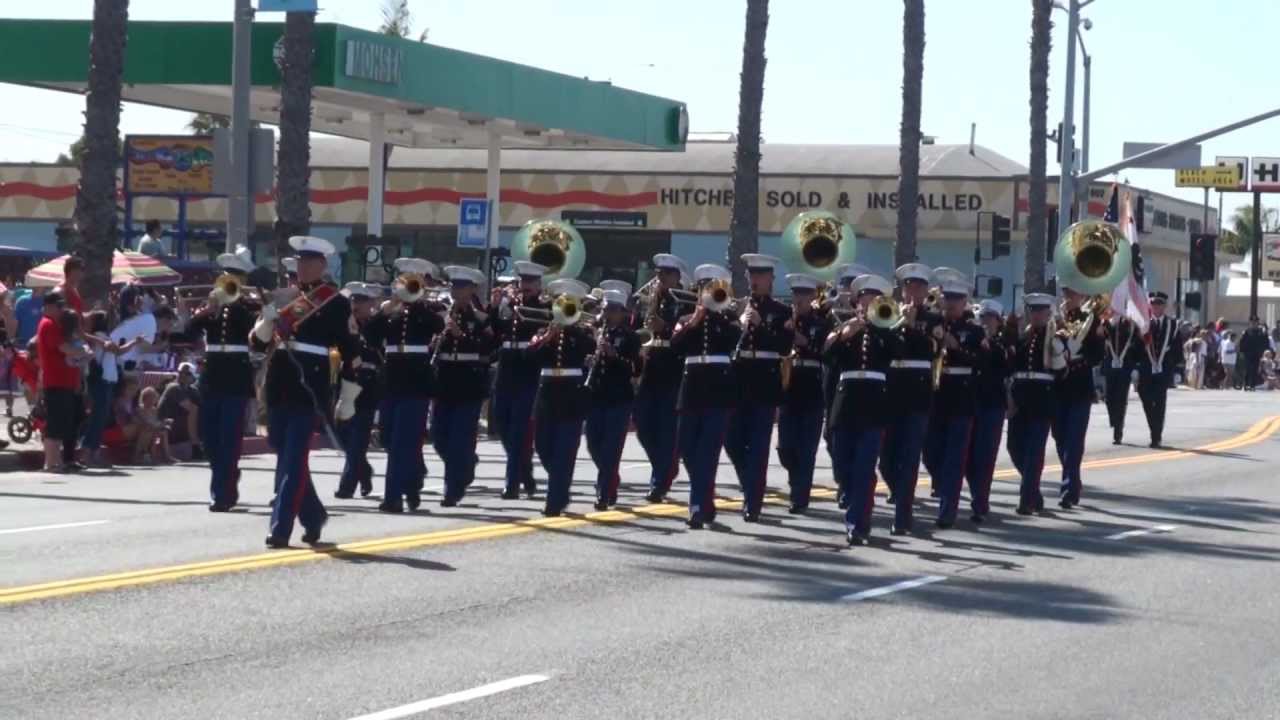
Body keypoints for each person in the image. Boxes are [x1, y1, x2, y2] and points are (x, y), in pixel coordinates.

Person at [251, 236, 360, 549]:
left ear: (322, 266)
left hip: (310, 387)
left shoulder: (336, 302)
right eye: (299, 261)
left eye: (309, 262)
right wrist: (266, 324)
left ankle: (280, 527)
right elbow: (258, 345)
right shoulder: (282, 296)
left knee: (294, 458)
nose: (302, 267)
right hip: (278, 382)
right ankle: (313, 516)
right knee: (284, 453)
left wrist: (348, 396)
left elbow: (351, 350)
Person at [824, 273, 897, 545]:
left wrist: (877, 327)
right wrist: (845, 335)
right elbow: (828, 358)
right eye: (863, 302)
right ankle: (858, 494)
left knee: (864, 467)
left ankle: (857, 524)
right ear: (856, 304)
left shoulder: (887, 331)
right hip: (846, 405)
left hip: (874, 405)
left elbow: (897, 351)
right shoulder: (843, 328)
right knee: (843, 465)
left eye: (873, 302)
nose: (867, 307)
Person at [370, 257, 443, 514]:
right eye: (405, 280)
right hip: (391, 378)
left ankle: (393, 498)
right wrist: (385, 309)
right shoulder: (390, 312)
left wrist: (418, 302)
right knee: (390, 437)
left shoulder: (427, 313)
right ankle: (411, 484)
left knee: (403, 440)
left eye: (413, 281)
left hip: (416, 380)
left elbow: (438, 325)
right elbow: (369, 335)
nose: (408, 286)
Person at [672, 264, 742, 529]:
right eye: (705, 288)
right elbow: (676, 347)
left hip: (718, 390)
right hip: (691, 390)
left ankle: (697, 507)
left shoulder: (728, 320)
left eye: (714, 288)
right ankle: (706, 499)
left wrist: (721, 314)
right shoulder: (685, 319)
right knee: (688, 449)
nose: (710, 293)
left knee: (708, 452)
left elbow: (733, 340)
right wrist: (694, 321)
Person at [188, 248, 258, 510]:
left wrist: (240, 303)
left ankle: (222, 493)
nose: (230, 281)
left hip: (237, 376)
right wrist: (207, 312)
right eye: (227, 276)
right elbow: (188, 331)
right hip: (213, 375)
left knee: (229, 437)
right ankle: (227, 476)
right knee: (209, 436)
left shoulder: (248, 306)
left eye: (235, 277)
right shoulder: (212, 307)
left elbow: (256, 332)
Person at [724, 254, 793, 523]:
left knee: (759, 446)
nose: (754, 281)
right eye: (751, 277)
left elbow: (785, 347)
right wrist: (738, 323)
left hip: (764, 382)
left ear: (770, 280)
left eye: (760, 277)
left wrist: (760, 325)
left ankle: (753, 501)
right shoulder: (738, 308)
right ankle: (751, 482)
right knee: (732, 441)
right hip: (739, 381)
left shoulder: (782, 311)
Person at [925, 268, 986, 529]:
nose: (950, 304)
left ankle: (947, 511)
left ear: (964, 302)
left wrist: (956, 347)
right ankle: (944, 489)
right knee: (930, 453)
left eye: (955, 300)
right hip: (936, 397)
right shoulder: (933, 324)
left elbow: (981, 363)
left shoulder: (974, 332)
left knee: (954, 458)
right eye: (947, 299)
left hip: (961, 399)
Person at [879, 263, 938, 529]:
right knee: (887, 459)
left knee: (910, 456)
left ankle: (903, 516)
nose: (913, 292)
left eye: (918, 287)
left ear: (926, 291)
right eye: (908, 287)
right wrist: (899, 323)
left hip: (917, 395)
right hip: (891, 394)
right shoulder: (888, 315)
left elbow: (930, 350)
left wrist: (912, 326)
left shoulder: (934, 319)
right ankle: (897, 490)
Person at [529, 279, 594, 517]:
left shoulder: (582, 335)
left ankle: (554, 500)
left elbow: (590, 350)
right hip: (547, 394)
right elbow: (531, 357)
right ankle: (561, 486)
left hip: (571, 395)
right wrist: (547, 337)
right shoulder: (542, 333)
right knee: (543, 447)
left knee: (564, 451)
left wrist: (577, 329)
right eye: (561, 304)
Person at [431, 266, 496, 507]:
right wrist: (436, 341)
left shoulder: (480, 318)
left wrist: (461, 337)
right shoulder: (441, 316)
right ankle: (466, 464)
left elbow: (488, 349)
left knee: (460, 438)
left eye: (461, 287)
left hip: (469, 382)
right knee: (439, 438)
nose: (456, 291)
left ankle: (453, 489)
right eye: (454, 286)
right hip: (444, 380)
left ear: (472, 290)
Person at [489, 260, 551, 500]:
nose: (525, 286)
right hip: (506, 370)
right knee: (502, 427)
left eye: (530, 282)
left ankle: (512, 483)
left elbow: (542, 326)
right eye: (522, 281)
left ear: (538, 285)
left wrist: (520, 305)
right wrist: (495, 307)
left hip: (528, 372)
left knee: (518, 431)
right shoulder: (509, 306)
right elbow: (495, 332)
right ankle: (525, 471)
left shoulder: (543, 308)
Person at [775, 273, 833, 514]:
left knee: (806, 448)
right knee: (785, 447)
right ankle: (795, 479)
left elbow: (826, 354)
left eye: (803, 294)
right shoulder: (784, 320)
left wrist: (801, 340)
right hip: (789, 388)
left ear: (812, 297)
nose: (798, 299)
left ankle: (800, 496)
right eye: (796, 294)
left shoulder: (822, 324)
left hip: (811, 388)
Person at [634, 253, 688, 503]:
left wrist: (664, 327)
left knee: (666, 428)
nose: (660, 278)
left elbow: (686, 336)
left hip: (672, 368)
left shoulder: (685, 301)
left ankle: (659, 481)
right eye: (658, 273)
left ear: (677, 276)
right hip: (651, 365)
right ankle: (665, 465)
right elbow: (638, 329)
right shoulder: (651, 299)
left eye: (666, 273)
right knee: (643, 425)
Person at [584, 288, 641, 510]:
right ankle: (611, 480)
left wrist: (613, 355)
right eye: (606, 310)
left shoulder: (631, 337)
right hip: (597, 395)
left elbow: (634, 369)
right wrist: (591, 359)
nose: (608, 314)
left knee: (611, 448)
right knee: (592, 444)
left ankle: (604, 492)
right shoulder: (597, 333)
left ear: (622, 313)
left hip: (619, 397)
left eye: (614, 311)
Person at [1007, 293, 1064, 516]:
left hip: (1042, 398)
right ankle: (1034, 494)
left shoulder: (1055, 337)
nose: (1037, 315)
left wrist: (1057, 343)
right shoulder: (1022, 337)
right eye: (1034, 311)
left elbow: (1061, 370)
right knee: (1014, 448)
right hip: (1020, 396)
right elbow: (1011, 368)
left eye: (1041, 311)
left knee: (1034, 452)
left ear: (1048, 313)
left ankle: (1027, 500)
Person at [1052, 286, 1104, 509]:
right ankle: (1073, 480)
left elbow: (1097, 355)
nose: (1068, 298)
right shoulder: (1055, 320)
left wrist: (1077, 356)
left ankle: (1069, 489)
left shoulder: (1091, 320)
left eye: (1072, 294)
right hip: (1058, 388)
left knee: (1073, 442)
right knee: (1060, 438)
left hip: (1080, 387)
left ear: (1082, 295)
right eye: (1066, 294)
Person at [335, 282, 382, 500]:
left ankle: (347, 486)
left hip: (367, 386)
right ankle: (363, 471)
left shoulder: (376, 327)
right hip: (345, 384)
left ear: (371, 303)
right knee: (343, 437)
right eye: (354, 300)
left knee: (357, 440)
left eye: (362, 301)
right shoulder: (344, 325)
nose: (356, 304)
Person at [965, 299, 1010, 523]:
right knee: (968, 456)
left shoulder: (1002, 345)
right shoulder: (971, 340)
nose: (985, 322)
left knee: (985, 456)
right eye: (982, 318)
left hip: (992, 405)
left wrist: (987, 345)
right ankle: (977, 495)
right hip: (968, 403)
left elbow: (1005, 364)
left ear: (998, 322)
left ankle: (979, 503)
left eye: (990, 319)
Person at [36, 292, 88, 472]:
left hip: (67, 382)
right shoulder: (48, 324)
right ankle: (50, 463)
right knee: (55, 423)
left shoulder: (58, 325)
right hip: (55, 382)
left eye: (62, 306)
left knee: (69, 422)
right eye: (58, 306)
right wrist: (84, 353)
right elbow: (65, 349)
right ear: (48, 307)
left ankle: (64, 460)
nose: (61, 310)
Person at [79, 310, 132, 468]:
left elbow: (117, 350)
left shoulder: (103, 338)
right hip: (101, 382)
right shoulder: (100, 337)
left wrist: (134, 342)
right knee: (97, 419)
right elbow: (116, 350)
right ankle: (87, 452)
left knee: (101, 419)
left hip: (107, 381)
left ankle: (93, 452)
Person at [1135, 292, 1184, 448]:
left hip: (1164, 370)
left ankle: (1156, 436)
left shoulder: (1173, 325)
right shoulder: (1144, 324)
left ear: (1164, 306)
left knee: (1160, 402)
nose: (1156, 307)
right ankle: (1154, 428)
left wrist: (1176, 369)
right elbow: (1136, 348)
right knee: (1146, 401)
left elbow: (1177, 349)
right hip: (1146, 369)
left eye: (1159, 304)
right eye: (1154, 304)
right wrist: (1135, 367)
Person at [1103, 314, 1142, 443]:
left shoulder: (1130, 325)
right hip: (1110, 366)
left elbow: (1138, 345)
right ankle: (1114, 420)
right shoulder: (1106, 323)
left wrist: (1136, 366)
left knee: (1121, 399)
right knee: (1108, 398)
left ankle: (1118, 431)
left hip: (1125, 367)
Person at [158, 363, 201, 454]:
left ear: (193, 377)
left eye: (187, 373)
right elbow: (191, 408)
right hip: (169, 428)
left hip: (180, 429)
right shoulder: (173, 387)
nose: (183, 375)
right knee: (194, 409)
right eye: (181, 372)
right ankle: (195, 444)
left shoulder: (192, 390)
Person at [134, 386, 174, 464]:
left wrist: (165, 422)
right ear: (144, 398)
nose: (152, 401)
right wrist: (159, 425)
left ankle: (167, 456)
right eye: (150, 398)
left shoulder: (154, 410)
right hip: (144, 428)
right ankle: (151, 456)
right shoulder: (140, 409)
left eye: (154, 398)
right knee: (154, 432)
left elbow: (157, 421)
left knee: (164, 431)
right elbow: (144, 421)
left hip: (154, 427)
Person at [1240, 316, 1269, 391]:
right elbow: (1242, 343)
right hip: (1248, 354)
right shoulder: (1247, 331)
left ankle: (1252, 385)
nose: (1254, 323)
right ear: (1250, 323)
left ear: (1257, 323)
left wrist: (1263, 352)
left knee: (1255, 369)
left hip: (1257, 354)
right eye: (1252, 322)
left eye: (1255, 322)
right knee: (1248, 369)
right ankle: (1246, 385)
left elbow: (1264, 343)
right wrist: (1242, 352)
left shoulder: (1261, 332)